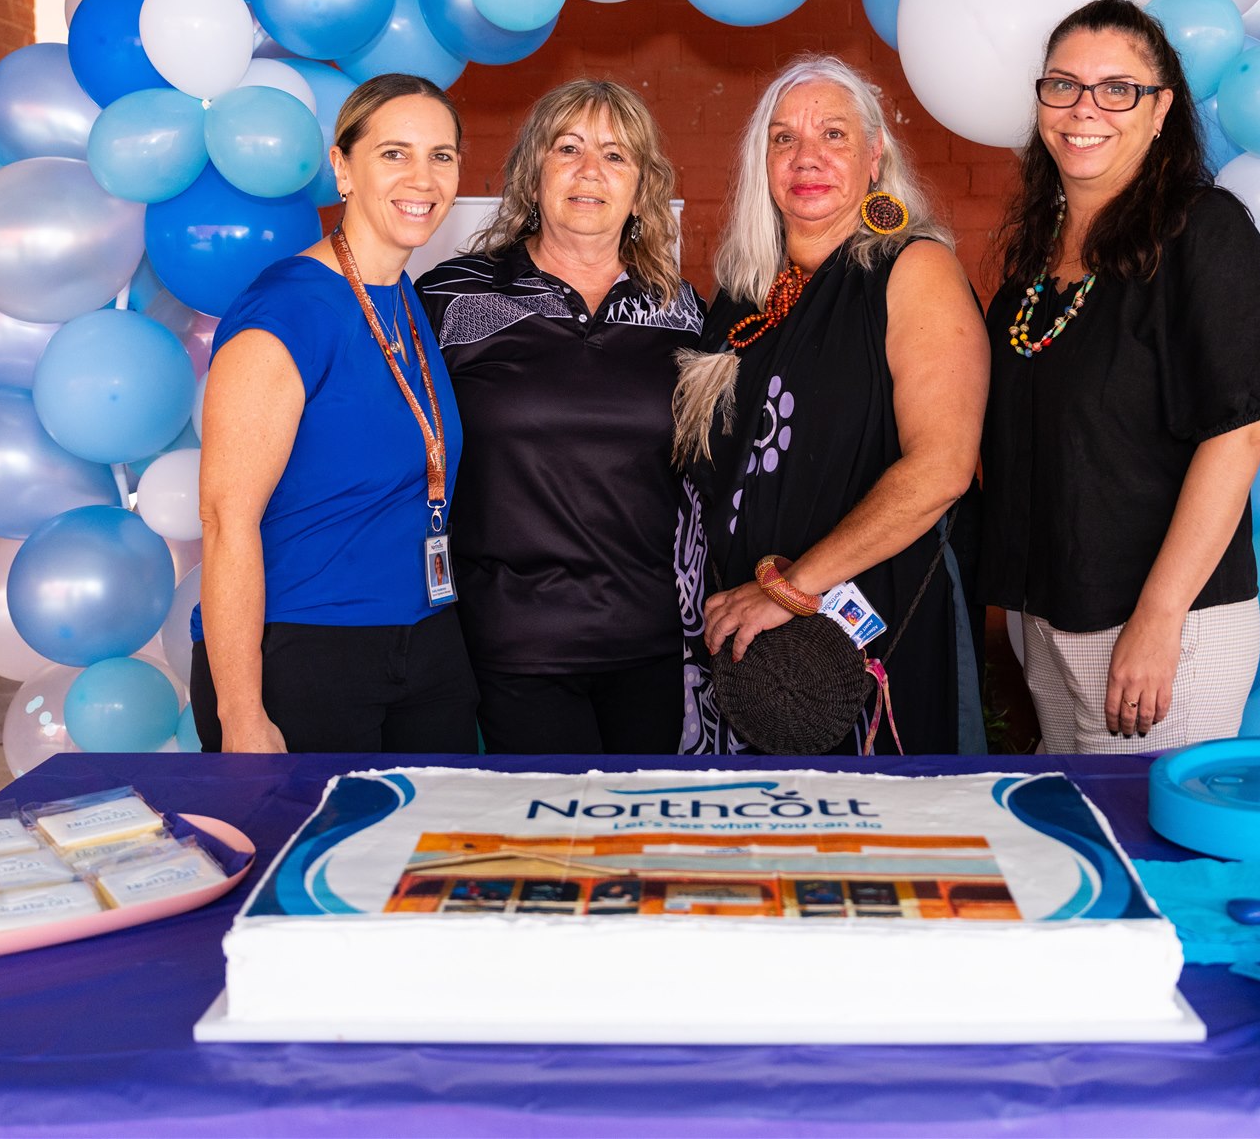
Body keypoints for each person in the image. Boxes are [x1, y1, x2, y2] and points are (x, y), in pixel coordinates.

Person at [981, 0, 1260, 754]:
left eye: (1117, 88)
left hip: (1162, 624)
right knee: (1083, 846)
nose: (1084, 108)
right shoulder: (1036, 263)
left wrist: (1158, 619)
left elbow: (1243, 432)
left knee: (1151, 860)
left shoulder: (1202, 231)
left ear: (1160, 112)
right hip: (1051, 615)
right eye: (1062, 85)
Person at [673, 55, 988, 755]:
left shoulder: (914, 267)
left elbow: (942, 467)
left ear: (875, 156)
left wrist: (789, 589)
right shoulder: (743, 297)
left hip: (871, 642)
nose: (806, 157)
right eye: (783, 139)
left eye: (834, 136)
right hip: (749, 664)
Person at [192, 73, 477, 754]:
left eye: (442, 155)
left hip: (427, 641)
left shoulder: (404, 298)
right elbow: (226, 521)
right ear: (342, 168)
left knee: (424, 859)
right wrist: (241, 713)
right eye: (394, 153)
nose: (423, 177)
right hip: (306, 653)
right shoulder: (286, 310)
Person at [418, 81, 703, 754]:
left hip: (652, 643)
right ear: (532, 171)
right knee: (554, 852)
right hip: (515, 643)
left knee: (641, 847)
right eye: (567, 148)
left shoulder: (686, 311)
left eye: (615, 155)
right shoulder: (450, 298)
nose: (589, 172)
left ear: (641, 186)